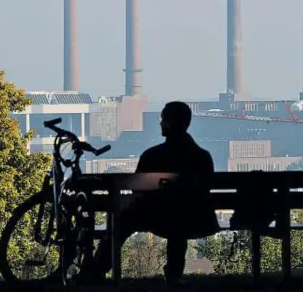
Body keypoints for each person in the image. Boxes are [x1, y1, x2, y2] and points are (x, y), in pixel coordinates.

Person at [77, 101, 219, 285]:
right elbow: (203, 190)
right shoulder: (202, 156)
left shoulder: (152, 155)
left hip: (156, 217)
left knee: (124, 220)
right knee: (180, 218)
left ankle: (98, 269)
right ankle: (174, 274)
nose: (160, 123)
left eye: (163, 119)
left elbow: (137, 188)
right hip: (196, 217)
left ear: (169, 123)